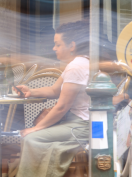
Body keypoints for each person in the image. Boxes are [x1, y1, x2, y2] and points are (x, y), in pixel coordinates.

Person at [14, 20, 91, 177]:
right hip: (78, 121)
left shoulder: (76, 66)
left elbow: (61, 107)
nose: (53, 48)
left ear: (72, 46)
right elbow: (54, 90)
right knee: (32, 135)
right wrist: (30, 91)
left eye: (57, 44)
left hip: (81, 125)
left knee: (31, 138)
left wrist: (35, 128)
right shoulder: (79, 62)